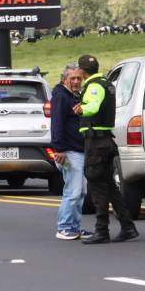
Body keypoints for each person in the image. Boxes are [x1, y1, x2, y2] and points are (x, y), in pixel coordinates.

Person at [74, 55, 139, 245]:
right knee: (110, 186)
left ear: (82, 71)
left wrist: (81, 109)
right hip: (106, 141)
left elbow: (92, 107)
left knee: (97, 186)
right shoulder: (107, 83)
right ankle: (128, 227)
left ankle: (102, 230)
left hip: (97, 143)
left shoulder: (94, 86)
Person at [51, 64, 92, 240]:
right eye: (72, 78)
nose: (76, 81)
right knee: (73, 191)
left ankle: (74, 227)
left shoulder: (74, 96)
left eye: (79, 78)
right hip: (68, 151)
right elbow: (57, 123)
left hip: (78, 150)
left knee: (80, 191)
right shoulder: (61, 97)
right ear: (64, 79)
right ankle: (65, 227)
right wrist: (59, 148)